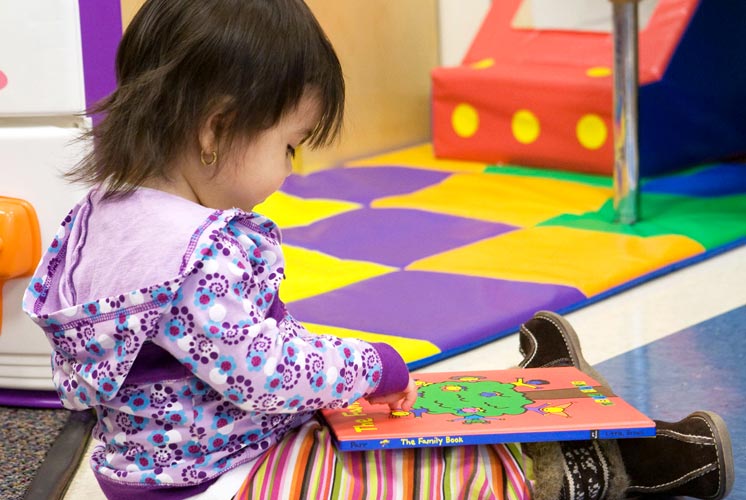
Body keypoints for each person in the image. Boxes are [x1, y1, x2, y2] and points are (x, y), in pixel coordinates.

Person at [22, 1, 733, 499]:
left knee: (383, 415)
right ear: (216, 129)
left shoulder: (99, 219)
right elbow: (268, 371)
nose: (294, 167)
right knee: (428, 476)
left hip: (152, 471)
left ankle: (535, 394)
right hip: (226, 480)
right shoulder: (194, 253)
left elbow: (216, 356)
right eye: (288, 144)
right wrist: (366, 363)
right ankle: (605, 470)